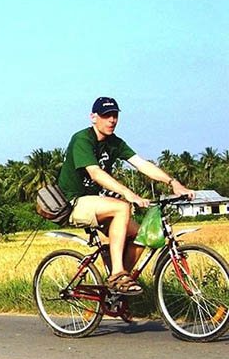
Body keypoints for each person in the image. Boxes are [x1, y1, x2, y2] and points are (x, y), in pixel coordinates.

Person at [57, 97, 194, 295]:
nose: (111, 120)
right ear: (93, 117)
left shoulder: (115, 143)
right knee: (122, 206)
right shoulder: (82, 139)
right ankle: (117, 272)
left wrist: (174, 184)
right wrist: (128, 194)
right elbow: (95, 173)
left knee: (142, 236)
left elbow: (141, 164)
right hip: (74, 202)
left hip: (97, 203)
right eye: (106, 116)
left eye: (115, 115)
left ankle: (117, 287)